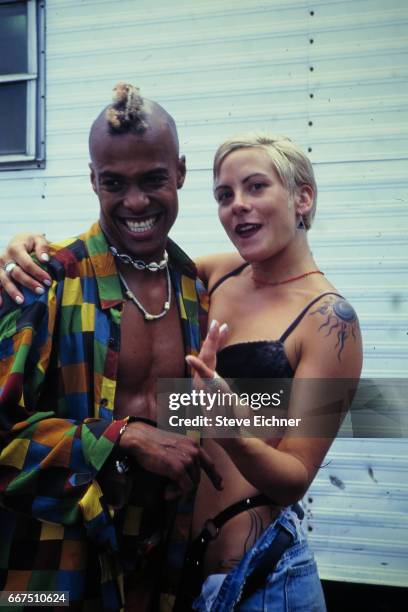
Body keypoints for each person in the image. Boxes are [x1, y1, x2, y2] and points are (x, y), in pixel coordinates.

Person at [1, 130, 363, 609]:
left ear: (303, 197)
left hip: (262, 577)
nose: (238, 205)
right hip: (177, 575)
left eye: (256, 187)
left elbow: (295, 475)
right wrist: (28, 248)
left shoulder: (331, 320)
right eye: (224, 194)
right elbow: (123, 253)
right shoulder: (213, 275)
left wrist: (226, 426)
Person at [0, 83, 223, 612]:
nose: (136, 202)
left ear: (182, 173)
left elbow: (225, 411)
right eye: (114, 183)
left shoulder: (197, 290)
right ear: (93, 181)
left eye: (153, 180)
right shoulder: (45, 282)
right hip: (49, 574)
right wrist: (121, 437)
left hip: (156, 569)